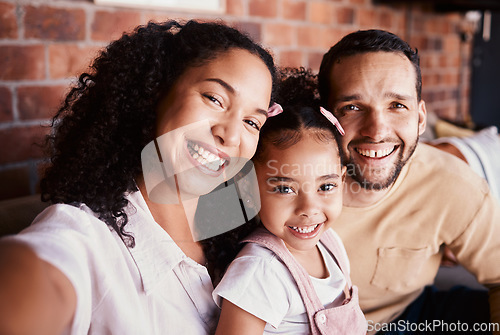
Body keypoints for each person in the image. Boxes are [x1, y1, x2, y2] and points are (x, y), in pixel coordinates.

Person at [0, 20, 278, 335]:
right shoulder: (86, 239)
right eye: (214, 99)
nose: (230, 135)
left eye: (252, 122)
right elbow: (36, 274)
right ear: (156, 93)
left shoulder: (244, 236)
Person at [318, 29, 500, 334]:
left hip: (404, 318)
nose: (376, 131)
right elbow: (209, 229)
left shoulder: (452, 184)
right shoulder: (279, 170)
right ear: (324, 116)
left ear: (420, 117)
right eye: (352, 107)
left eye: (397, 105)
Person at [213, 69, 367, 334]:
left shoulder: (330, 245)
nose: (309, 209)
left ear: (342, 181)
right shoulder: (259, 271)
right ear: (248, 188)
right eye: (285, 189)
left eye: (326, 186)